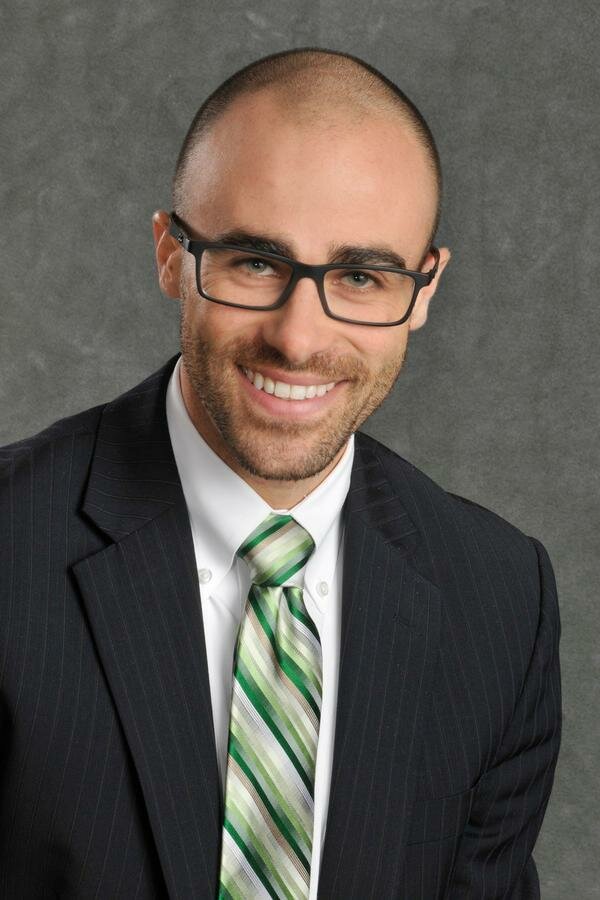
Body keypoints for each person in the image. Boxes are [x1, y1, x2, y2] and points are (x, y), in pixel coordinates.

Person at [0, 47, 561, 899]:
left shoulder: (500, 600)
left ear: (423, 289)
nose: (298, 339)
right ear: (171, 254)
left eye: (362, 276)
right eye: (256, 262)